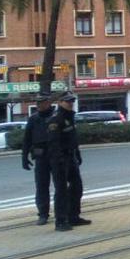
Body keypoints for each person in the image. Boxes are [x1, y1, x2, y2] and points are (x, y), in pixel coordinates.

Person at [47, 91, 90, 231]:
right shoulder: (56, 118)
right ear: (60, 102)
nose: (70, 103)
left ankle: (73, 216)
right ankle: (60, 220)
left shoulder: (69, 117)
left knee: (77, 187)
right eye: (67, 101)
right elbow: (53, 142)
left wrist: (77, 154)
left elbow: (72, 139)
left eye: (71, 101)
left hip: (70, 156)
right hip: (60, 159)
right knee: (61, 190)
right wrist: (58, 159)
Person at [21, 93, 55, 225]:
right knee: (41, 186)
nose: (39, 105)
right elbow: (27, 140)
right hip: (41, 156)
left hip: (56, 155)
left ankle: (62, 212)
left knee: (61, 185)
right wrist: (24, 157)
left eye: (42, 103)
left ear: (48, 103)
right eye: (37, 103)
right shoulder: (33, 119)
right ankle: (43, 213)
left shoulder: (56, 117)